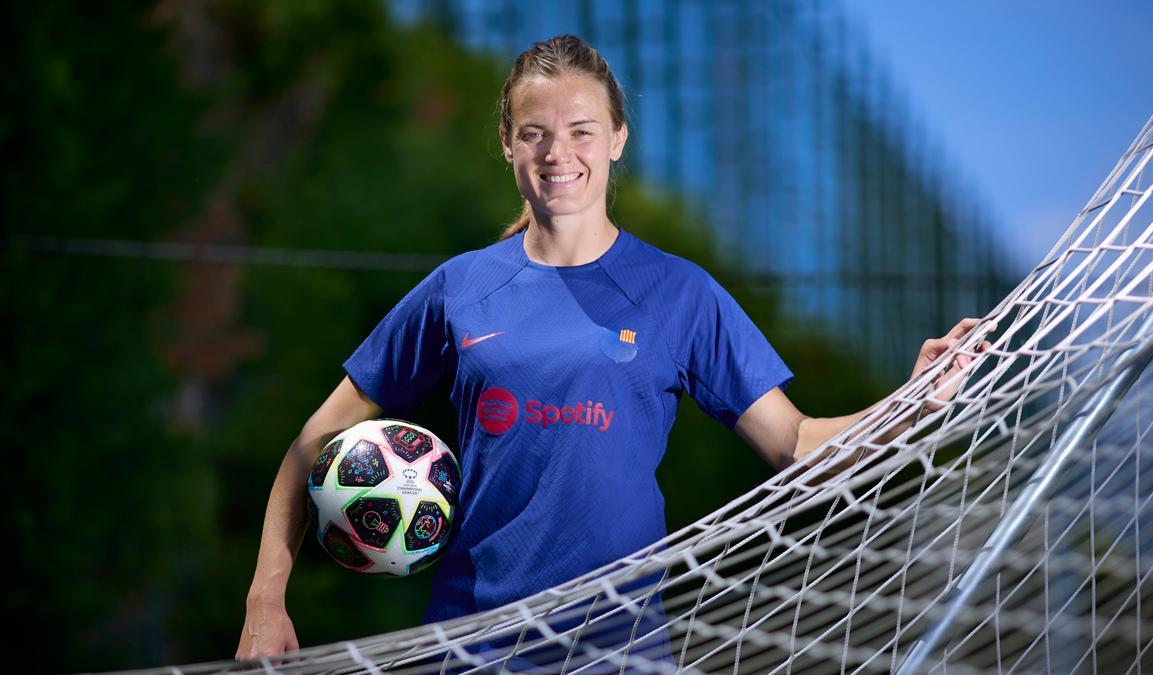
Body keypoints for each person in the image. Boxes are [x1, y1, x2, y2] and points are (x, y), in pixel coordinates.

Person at [236, 34, 992, 671]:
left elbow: (797, 443)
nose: (557, 153)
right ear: (507, 143)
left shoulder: (679, 293)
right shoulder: (458, 288)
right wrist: (266, 598)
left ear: (618, 138)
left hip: (620, 649)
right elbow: (314, 441)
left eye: (581, 130)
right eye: (534, 132)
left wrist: (908, 401)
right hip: (470, 647)